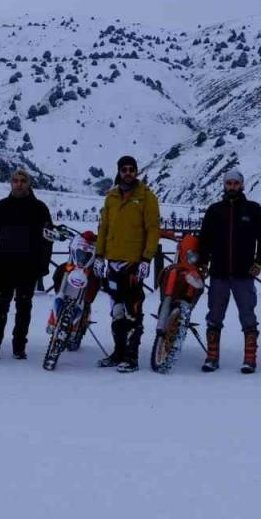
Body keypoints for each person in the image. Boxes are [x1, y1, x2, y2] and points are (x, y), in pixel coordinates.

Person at [0, 170, 54, 361]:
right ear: (11, 183)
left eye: (23, 181)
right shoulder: (3, 206)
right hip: (5, 264)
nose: (18, 184)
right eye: (15, 181)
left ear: (29, 184)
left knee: (24, 306)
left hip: (29, 265)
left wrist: (43, 265)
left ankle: (19, 347)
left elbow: (47, 239)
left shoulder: (40, 208)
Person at [197, 170, 261, 373]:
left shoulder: (253, 209)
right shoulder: (214, 210)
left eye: (235, 183)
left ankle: (250, 358)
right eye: (228, 183)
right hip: (219, 273)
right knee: (214, 316)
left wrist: (259, 262)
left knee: (248, 316)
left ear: (242, 185)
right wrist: (203, 263)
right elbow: (204, 240)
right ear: (224, 185)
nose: (232, 187)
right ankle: (212, 357)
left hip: (244, 274)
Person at [94, 155, 161, 372]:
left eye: (132, 169)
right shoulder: (111, 197)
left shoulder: (146, 197)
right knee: (116, 310)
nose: (128, 173)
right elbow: (104, 228)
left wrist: (146, 259)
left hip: (133, 263)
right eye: (124, 169)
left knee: (133, 310)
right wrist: (99, 255)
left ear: (137, 172)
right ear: (119, 171)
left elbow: (153, 229)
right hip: (113, 262)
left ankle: (131, 357)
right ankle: (118, 352)